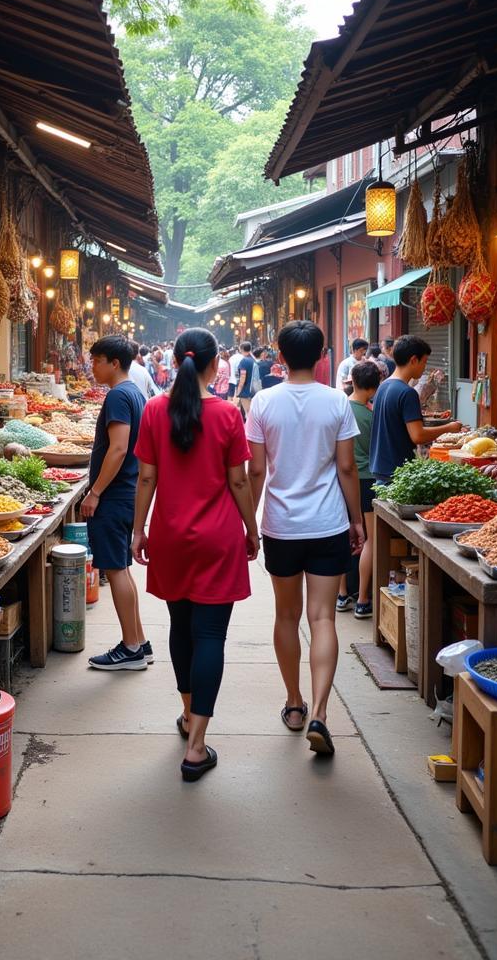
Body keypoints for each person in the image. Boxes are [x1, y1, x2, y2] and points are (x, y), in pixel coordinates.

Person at [132, 328, 258, 781]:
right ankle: (197, 744)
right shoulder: (227, 415)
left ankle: (188, 715)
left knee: (180, 628)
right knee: (210, 637)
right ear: (213, 366)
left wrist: (138, 529)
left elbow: (146, 478)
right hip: (217, 538)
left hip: (169, 536)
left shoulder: (153, 410)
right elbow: (239, 481)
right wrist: (252, 528)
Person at [247, 320, 365, 756]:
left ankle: (294, 704)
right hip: (328, 523)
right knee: (323, 619)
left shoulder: (262, 401)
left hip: (281, 525)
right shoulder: (337, 402)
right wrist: (357, 520)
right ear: (321, 357)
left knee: (285, 616)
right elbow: (347, 469)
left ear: (280, 355)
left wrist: (249, 522)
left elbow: (256, 470)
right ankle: (320, 711)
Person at [81, 336, 151, 671]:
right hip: (127, 492)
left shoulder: (119, 396)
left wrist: (95, 492)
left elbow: (119, 448)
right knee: (121, 568)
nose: (92, 366)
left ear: (113, 363)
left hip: (115, 495)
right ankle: (139, 640)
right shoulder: (134, 392)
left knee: (116, 569)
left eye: (96, 360)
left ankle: (131, 648)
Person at [369, 335, 463, 483]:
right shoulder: (407, 393)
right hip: (397, 472)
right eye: (424, 362)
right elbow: (418, 436)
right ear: (413, 360)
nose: (425, 367)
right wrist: (450, 427)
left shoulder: (383, 386)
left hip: (381, 469)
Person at [336, 360, 381, 618]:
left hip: (342, 480)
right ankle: (363, 599)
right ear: (374, 388)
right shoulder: (371, 415)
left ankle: (342, 595)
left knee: (343, 536)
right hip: (367, 480)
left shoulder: (340, 409)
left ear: (351, 381)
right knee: (370, 540)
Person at [233, 341, 256, 415]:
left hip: (245, 391)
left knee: (248, 413)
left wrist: (238, 391)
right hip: (254, 390)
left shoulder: (244, 361)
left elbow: (243, 376)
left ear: (241, 349)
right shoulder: (254, 360)